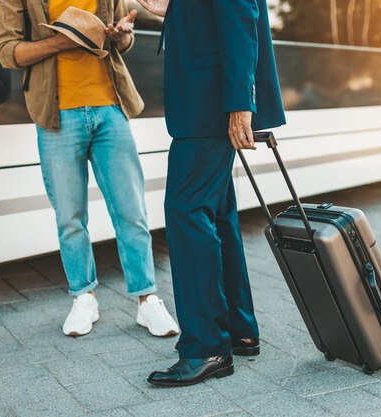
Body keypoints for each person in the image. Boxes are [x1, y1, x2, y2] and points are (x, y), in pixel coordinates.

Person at [0, 0, 179, 338]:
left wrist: (123, 34)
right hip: (57, 115)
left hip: (110, 109)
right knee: (70, 216)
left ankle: (147, 299)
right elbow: (6, 51)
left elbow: (123, 39)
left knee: (131, 211)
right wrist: (64, 42)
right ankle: (83, 297)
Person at [136, 0, 286, 386]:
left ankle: (206, 348)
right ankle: (239, 330)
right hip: (206, 97)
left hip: (210, 101)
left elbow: (239, 14)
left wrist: (241, 103)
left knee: (187, 210)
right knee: (218, 212)